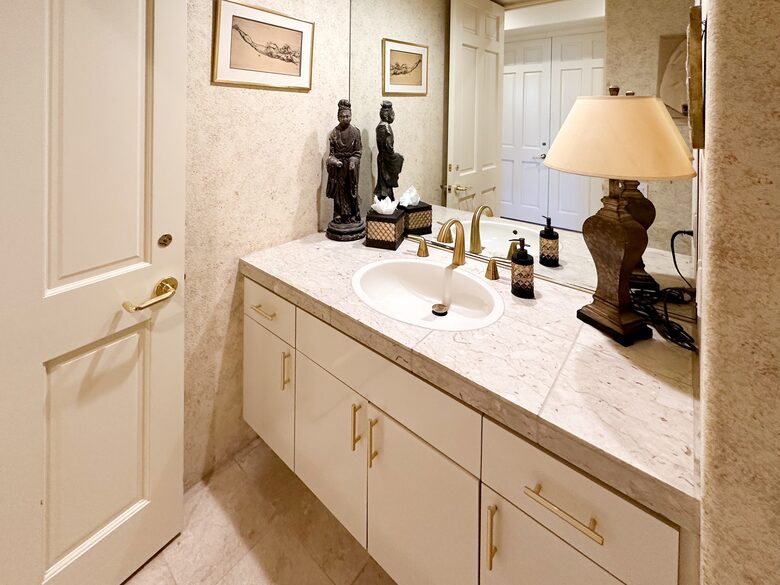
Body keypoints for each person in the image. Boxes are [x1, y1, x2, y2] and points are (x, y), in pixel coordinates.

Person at [326, 99, 362, 225]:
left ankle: (352, 214)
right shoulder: (334, 133)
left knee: (351, 191)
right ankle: (338, 214)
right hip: (339, 168)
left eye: (347, 116)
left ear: (351, 116)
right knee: (339, 192)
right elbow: (331, 155)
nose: (345, 118)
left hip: (351, 168)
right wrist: (335, 162)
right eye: (342, 116)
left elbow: (358, 152)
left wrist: (353, 161)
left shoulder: (356, 132)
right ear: (338, 117)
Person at [374, 101, 404, 201]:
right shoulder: (384, 128)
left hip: (384, 159)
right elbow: (388, 149)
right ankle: (384, 207)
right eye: (392, 113)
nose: (393, 115)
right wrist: (397, 158)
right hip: (385, 161)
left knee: (386, 187)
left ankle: (386, 205)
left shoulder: (383, 126)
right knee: (384, 187)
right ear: (388, 114)